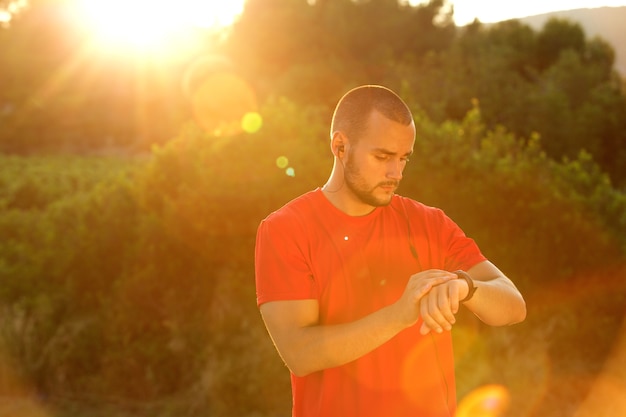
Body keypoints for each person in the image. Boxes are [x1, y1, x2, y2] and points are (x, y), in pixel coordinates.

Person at [254, 85, 526, 417]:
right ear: (340, 146)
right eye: (382, 157)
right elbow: (300, 352)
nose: (395, 173)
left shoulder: (430, 223)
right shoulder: (285, 229)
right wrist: (399, 315)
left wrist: (464, 286)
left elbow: (514, 306)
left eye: (403, 158)